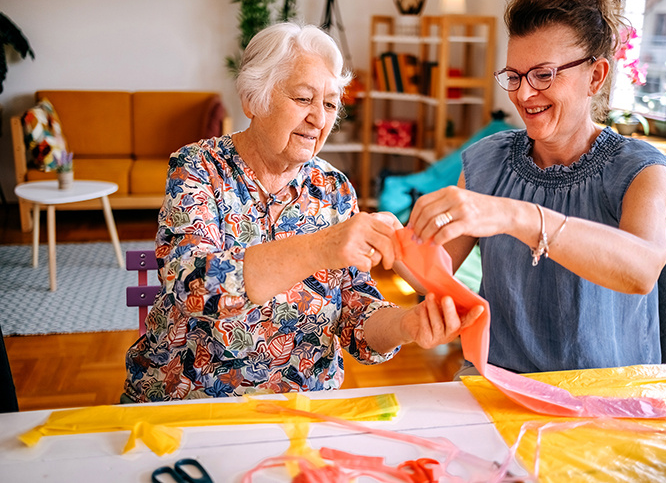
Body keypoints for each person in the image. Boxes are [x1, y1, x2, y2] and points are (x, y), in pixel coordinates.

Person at [123, 23, 482, 402]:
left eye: (329, 104)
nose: (319, 118)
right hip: (190, 404)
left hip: (303, 406)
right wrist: (324, 246)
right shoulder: (199, 167)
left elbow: (356, 314)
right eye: (302, 98)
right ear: (253, 100)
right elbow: (192, 287)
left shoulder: (334, 188)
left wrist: (407, 324)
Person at [405, 0, 666, 374]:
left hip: (606, 393)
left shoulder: (641, 169)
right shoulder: (488, 160)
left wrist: (518, 217)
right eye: (514, 76)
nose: (524, 93)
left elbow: (642, 270)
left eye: (543, 75)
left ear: (595, 77)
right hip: (497, 380)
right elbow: (432, 276)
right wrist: (393, 244)